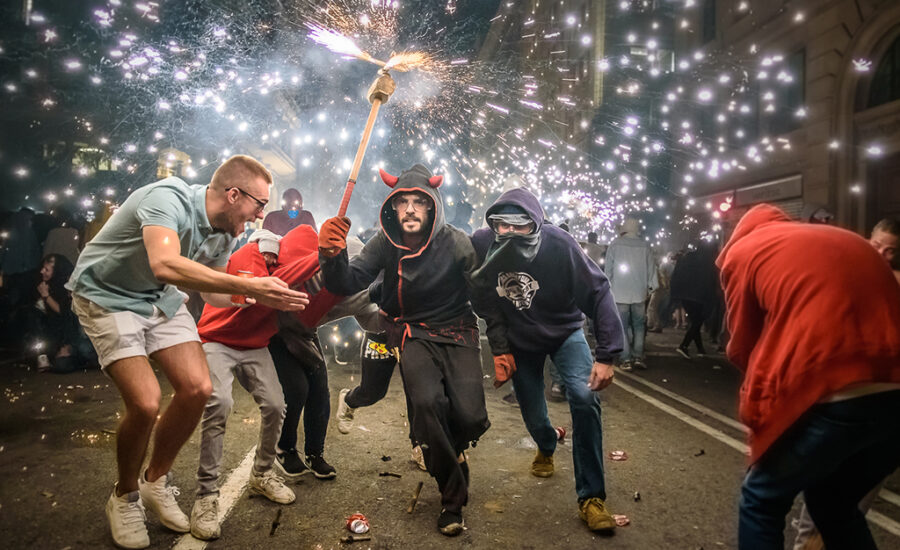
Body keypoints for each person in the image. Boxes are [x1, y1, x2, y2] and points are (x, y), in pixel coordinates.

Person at [66, 155, 309, 549]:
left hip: (158, 300)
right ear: (234, 194)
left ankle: (154, 481)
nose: (263, 215)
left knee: (199, 389)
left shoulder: (224, 232)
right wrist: (243, 283)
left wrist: (256, 295)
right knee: (145, 402)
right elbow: (164, 264)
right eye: (259, 204)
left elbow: (210, 291)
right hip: (107, 297)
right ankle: (124, 496)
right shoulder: (168, 198)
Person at [318, 164, 490, 536]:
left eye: (419, 202)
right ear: (393, 208)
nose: (410, 209)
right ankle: (452, 500)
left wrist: (507, 346)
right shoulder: (383, 242)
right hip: (409, 331)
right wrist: (331, 254)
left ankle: (447, 451)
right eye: (403, 202)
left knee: (472, 417)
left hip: (458, 330)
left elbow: (484, 294)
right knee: (427, 406)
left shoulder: (456, 241)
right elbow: (347, 283)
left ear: (432, 207)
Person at [716, 204, 900, 550]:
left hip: (831, 383)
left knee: (761, 499)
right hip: (894, 387)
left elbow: (743, 343)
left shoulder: (743, 251)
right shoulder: (838, 237)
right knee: (835, 504)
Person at [470, 187, 624, 533]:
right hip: (519, 339)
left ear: (536, 225)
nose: (508, 233)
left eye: (519, 226)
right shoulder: (482, 243)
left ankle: (591, 497)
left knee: (585, 398)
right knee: (530, 408)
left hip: (565, 330)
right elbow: (482, 298)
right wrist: (499, 348)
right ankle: (546, 442)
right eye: (501, 226)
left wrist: (607, 354)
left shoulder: (559, 243)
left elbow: (598, 290)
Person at [191, 226, 338, 541]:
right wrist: (319, 255)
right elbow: (265, 286)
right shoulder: (251, 253)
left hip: (256, 345)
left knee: (276, 404)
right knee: (219, 404)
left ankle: (262, 473)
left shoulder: (290, 270)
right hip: (217, 339)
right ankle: (205, 495)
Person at [791, 216, 900, 550]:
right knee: (831, 511)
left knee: (823, 514)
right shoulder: (853, 275)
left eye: (891, 251)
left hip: (869, 412)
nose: (880, 254)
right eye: (876, 244)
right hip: (850, 407)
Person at [604, 218, 656, 370]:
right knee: (639, 325)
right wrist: (651, 286)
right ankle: (638, 356)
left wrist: (607, 286)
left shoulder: (615, 244)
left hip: (619, 292)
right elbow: (651, 269)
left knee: (622, 325)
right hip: (640, 292)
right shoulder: (645, 246)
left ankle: (626, 358)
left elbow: (608, 270)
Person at [670, 241, 718, 359]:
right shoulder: (709, 262)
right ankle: (684, 345)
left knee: (695, 322)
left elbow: (677, 274)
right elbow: (711, 281)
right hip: (699, 297)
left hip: (685, 295)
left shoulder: (688, 257)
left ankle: (700, 349)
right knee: (697, 322)